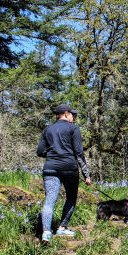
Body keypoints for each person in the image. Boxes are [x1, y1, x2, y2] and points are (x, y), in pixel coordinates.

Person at [36, 104, 91, 242]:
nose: (73, 117)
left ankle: (46, 232)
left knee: (50, 200)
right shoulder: (73, 129)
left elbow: (40, 151)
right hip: (69, 168)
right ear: (66, 114)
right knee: (71, 197)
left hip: (50, 168)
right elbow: (79, 153)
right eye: (72, 114)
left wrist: (53, 154)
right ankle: (61, 228)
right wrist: (86, 175)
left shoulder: (47, 130)